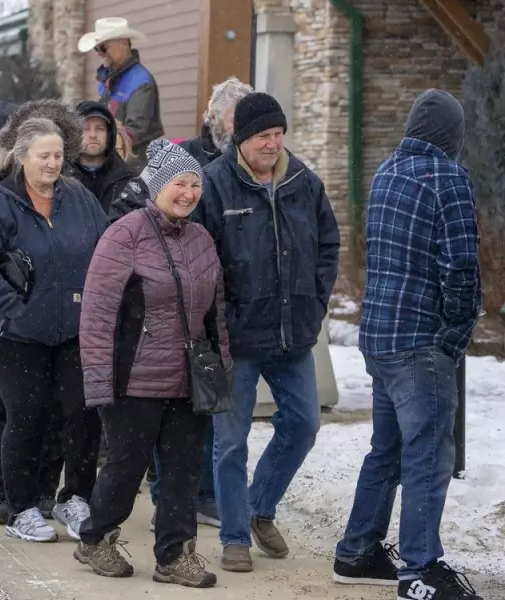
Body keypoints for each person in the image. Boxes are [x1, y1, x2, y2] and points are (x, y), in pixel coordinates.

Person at [333, 90, 483, 600]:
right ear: (453, 136)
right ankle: (420, 570)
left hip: (380, 337)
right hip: (421, 342)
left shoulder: (388, 171)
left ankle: (356, 552)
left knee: (389, 449)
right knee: (428, 457)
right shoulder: (448, 178)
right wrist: (455, 336)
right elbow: (461, 267)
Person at [194, 92, 340, 573]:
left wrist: (315, 302)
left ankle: (260, 506)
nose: (273, 144)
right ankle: (235, 535)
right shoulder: (214, 185)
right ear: (242, 138)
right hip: (235, 338)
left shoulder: (304, 182)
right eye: (263, 136)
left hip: (292, 333)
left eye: (278, 135)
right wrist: (214, 320)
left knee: (303, 425)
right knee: (230, 441)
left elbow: (327, 246)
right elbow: (198, 259)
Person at [75, 140, 230, 588]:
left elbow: (215, 312)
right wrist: (99, 381)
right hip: (134, 379)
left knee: (183, 469)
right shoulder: (124, 234)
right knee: (126, 465)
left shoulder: (201, 238)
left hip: (188, 379)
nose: (188, 193)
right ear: (158, 185)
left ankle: (174, 556)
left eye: (195, 184)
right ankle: (95, 539)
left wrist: (221, 371)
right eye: (180, 183)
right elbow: (98, 314)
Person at [0, 117, 108, 543]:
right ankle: (21, 508)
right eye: (43, 155)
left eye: (59, 155)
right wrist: (13, 305)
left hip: (72, 330)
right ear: (21, 156)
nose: (52, 163)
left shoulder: (79, 199)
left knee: (82, 416)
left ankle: (74, 498)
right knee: (26, 419)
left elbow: (108, 250)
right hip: (16, 333)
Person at [78, 18, 164, 170]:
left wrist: (98, 147)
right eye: (96, 48)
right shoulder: (108, 79)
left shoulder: (141, 81)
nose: (100, 53)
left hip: (137, 167)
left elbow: (135, 132)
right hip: (116, 163)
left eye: (104, 47)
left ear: (124, 43)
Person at [69, 101, 132, 213]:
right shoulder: (60, 178)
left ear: (109, 135)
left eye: (100, 129)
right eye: (86, 129)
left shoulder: (128, 180)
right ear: (74, 134)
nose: (93, 135)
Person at [181, 77, 254, 167]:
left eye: (248, 121)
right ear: (213, 117)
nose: (242, 128)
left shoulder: (258, 157)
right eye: (235, 121)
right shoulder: (184, 156)